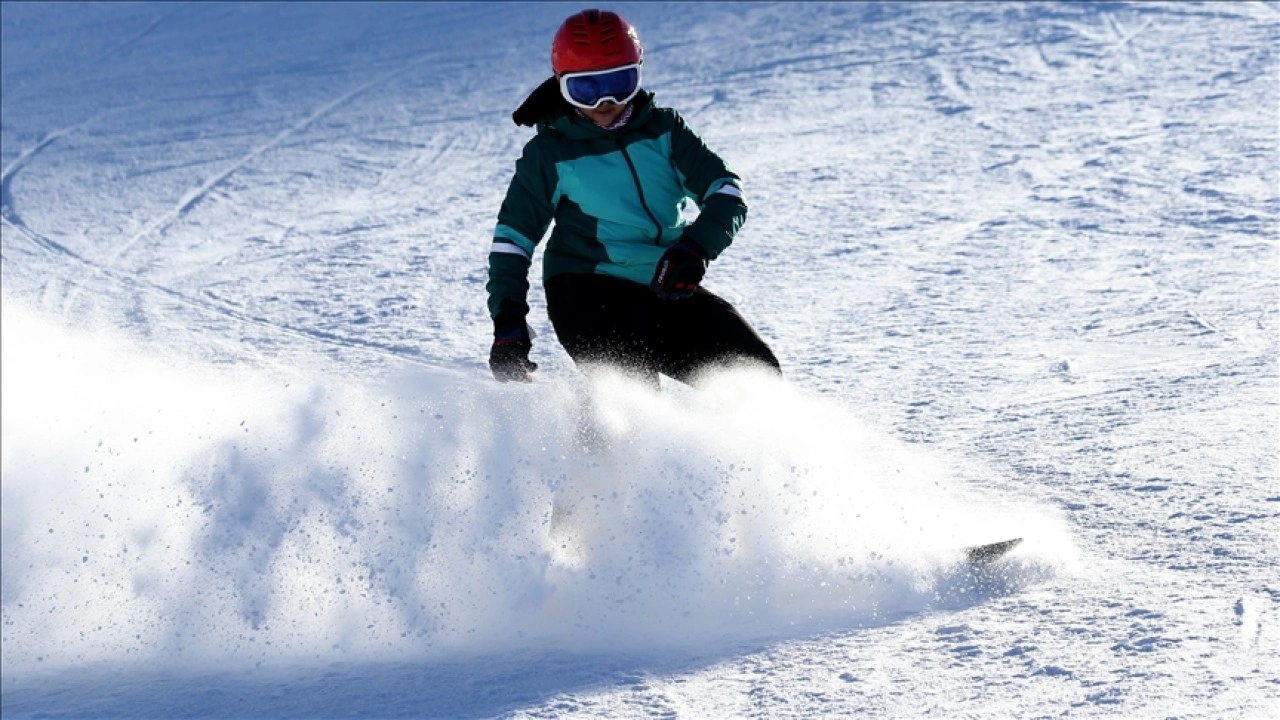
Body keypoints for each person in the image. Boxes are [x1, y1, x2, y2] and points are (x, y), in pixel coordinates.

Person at [486, 8, 780, 387]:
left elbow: (726, 192)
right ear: (561, 84)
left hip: (661, 281)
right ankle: (585, 445)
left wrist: (695, 248)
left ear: (639, 71)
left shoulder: (665, 131)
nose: (605, 101)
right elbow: (513, 242)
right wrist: (508, 320)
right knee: (631, 395)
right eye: (586, 89)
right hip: (585, 289)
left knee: (754, 377)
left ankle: (750, 447)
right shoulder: (550, 153)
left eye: (620, 82)